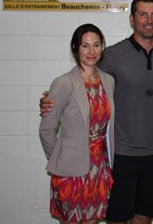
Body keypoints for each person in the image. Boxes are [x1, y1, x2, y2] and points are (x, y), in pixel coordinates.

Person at [40, 0, 153, 224]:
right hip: (119, 154)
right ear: (132, 18)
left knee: (144, 215)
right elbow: (83, 82)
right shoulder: (111, 56)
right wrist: (49, 101)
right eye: (142, 14)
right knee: (114, 216)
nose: (149, 20)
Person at [39, 23, 115, 224]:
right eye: (85, 46)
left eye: (97, 45)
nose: (92, 51)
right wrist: (59, 161)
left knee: (92, 220)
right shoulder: (64, 82)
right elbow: (46, 128)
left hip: (100, 167)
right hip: (70, 170)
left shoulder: (108, 81)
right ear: (75, 48)